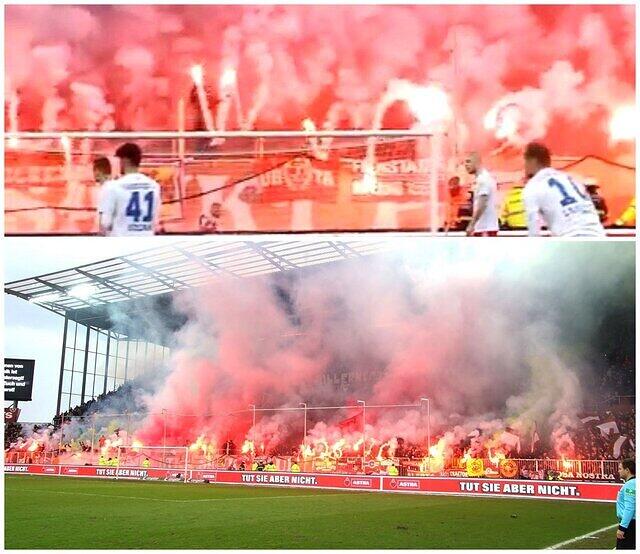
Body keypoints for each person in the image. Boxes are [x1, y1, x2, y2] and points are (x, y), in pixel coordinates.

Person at [522, 142, 605, 237]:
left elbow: (533, 225)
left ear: (532, 161)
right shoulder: (572, 180)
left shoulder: (533, 186)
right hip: (598, 236)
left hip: (571, 238)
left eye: (524, 160)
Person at [98, 143, 161, 236]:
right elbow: (155, 220)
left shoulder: (113, 186)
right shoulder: (154, 186)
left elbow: (105, 223)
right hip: (147, 243)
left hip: (122, 244)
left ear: (125, 160)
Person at [464, 152, 499, 236]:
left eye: (468, 161)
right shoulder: (483, 178)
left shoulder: (483, 179)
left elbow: (482, 204)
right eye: (464, 162)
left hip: (485, 228)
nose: (466, 165)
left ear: (477, 162)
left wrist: (472, 224)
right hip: (484, 227)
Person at [616, 458, 636, 549]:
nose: (618, 471)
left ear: (627, 470)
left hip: (630, 525)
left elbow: (630, 508)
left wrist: (622, 528)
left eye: (620, 469)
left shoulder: (630, 484)